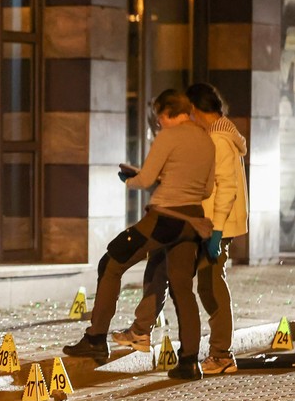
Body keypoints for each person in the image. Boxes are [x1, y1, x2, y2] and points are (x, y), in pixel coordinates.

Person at [63, 89, 215, 380]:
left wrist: (131, 178)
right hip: (194, 222)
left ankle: (95, 339)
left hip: (165, 218)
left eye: (159, 117)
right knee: (183, 289)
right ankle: (189, 362)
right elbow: (206, 190)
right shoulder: (206, 139)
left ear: (169, 112)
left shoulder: (169, 136)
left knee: (111, 262)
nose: (158, 124)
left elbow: (145, 179)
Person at [112, 83, 248, 375]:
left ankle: (222, 354)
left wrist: (216, 233)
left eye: (189, 112)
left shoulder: (219, 140)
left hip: (213, 225)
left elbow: (225, 189)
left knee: (210, 287)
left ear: (196, 110)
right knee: (160, 267)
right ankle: (141, 330)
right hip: (195, 222)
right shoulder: (210, 136)